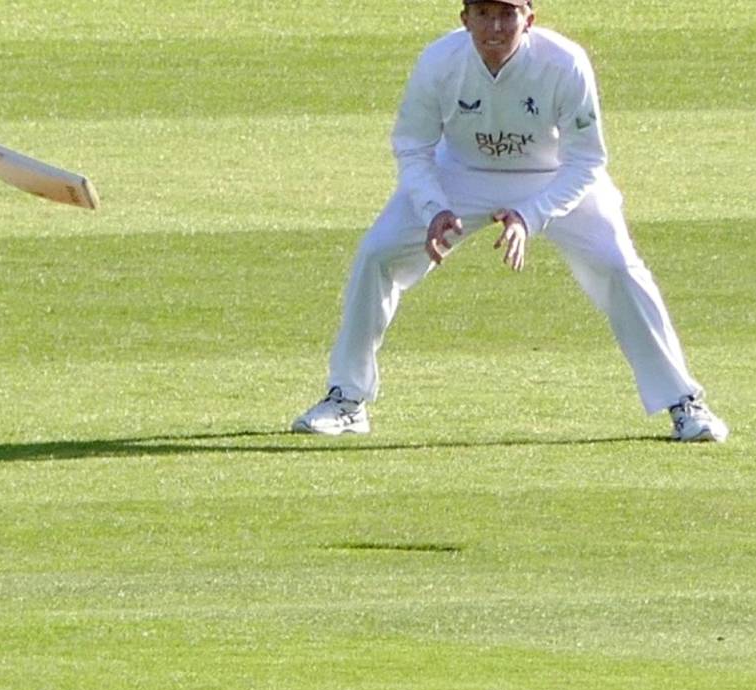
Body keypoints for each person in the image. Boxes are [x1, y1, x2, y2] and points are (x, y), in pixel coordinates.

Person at [291, 0, 728, 442]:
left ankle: (684, 402)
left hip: (553, 176)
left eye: (507, 14)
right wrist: (434, 208)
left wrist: (529, 215)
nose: (494, 27)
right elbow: (413, 145)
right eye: (482, 13)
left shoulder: (565, 63)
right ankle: (347, 399)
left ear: (529, 19)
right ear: (464, 19)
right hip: (461, 176)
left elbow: (587, 160)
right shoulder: (439, 61)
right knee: (377, 254)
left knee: (618, 264)